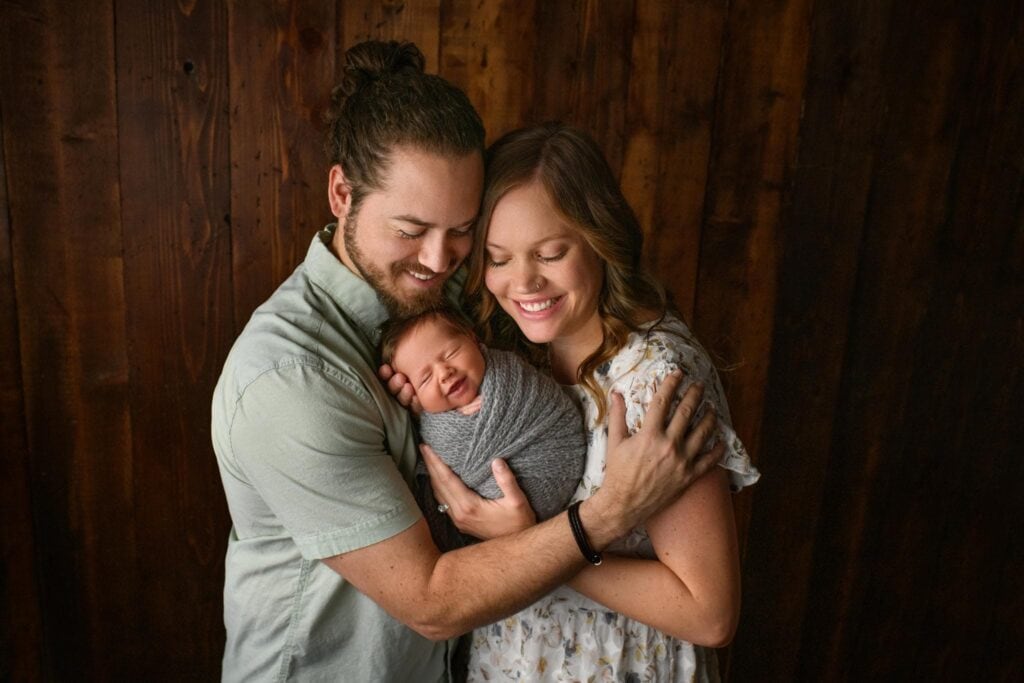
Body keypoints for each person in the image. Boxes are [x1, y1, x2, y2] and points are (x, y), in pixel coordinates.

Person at [210, 41, 724, 682]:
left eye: (463, 230)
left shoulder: (458, 297)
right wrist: (605, 515)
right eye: (410, 228)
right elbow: (431, 599)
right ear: (341, 193)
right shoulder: (287, 381)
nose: (439, 257)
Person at [411, 122, 761, 682]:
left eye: (549, 253)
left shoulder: (654, 381)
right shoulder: (505, 356)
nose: (523, 282)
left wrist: (529, 547)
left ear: (600, 239)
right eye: (498, 259)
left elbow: (709, 612)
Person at [380, 306, 587, 549]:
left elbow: (550, 404)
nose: (445, 373)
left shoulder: (511, 373)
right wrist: (432, 419)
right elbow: (439, 459)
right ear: (413, 395)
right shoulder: (427, 422)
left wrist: (494, 402)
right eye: (425, 378)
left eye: (451, 353)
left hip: (554, 459)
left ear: (474, 340)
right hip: (493, 530)